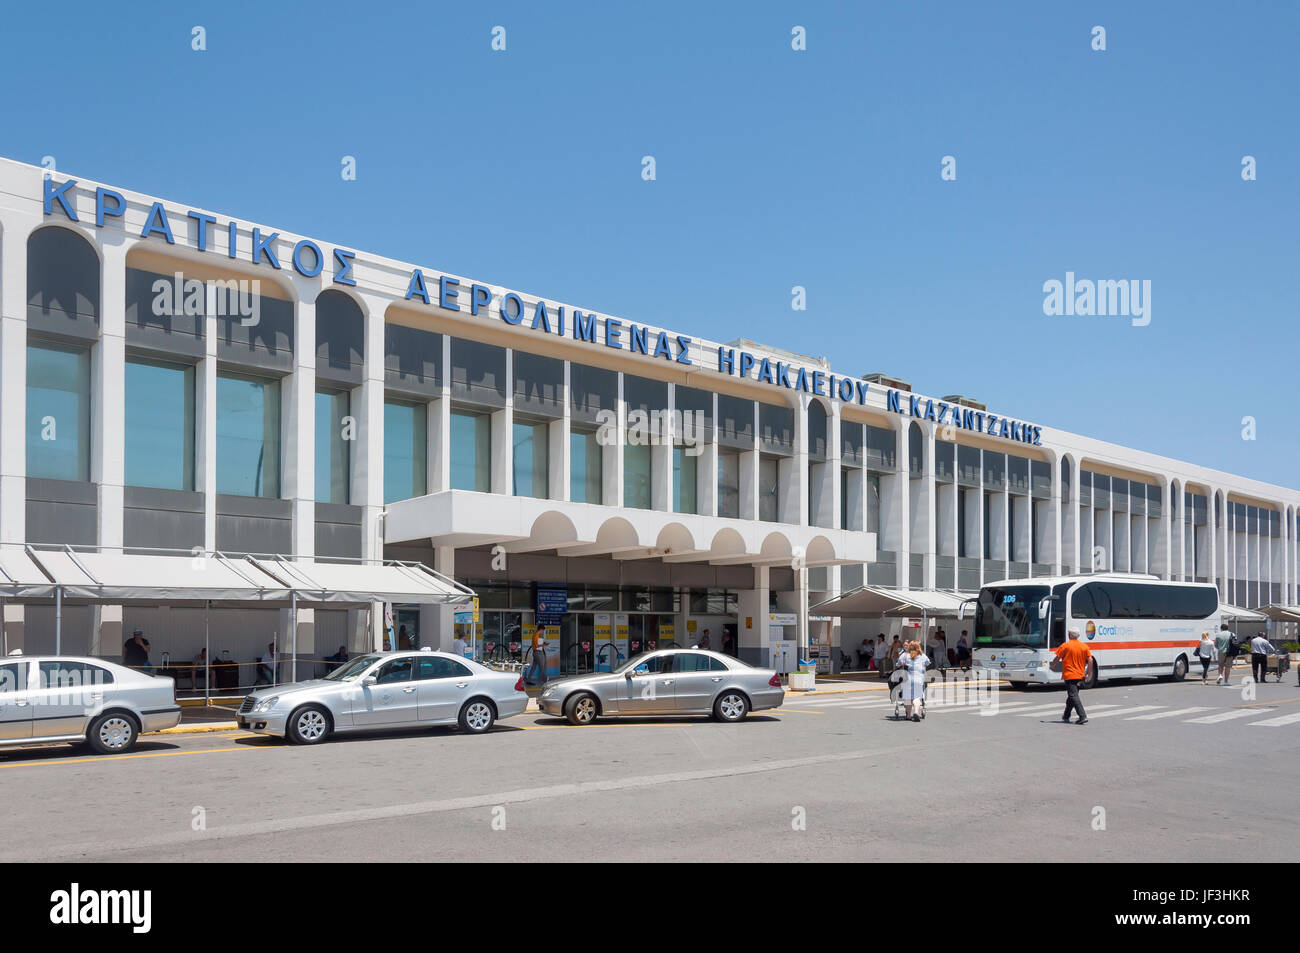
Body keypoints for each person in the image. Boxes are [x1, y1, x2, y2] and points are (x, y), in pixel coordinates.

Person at [1053, 630, 1092, 724]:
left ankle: (1082, 716)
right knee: (1072, 695)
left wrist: (1052, 665)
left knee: (1073, 695)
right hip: (1080, 675)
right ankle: (1066, 715)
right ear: (1078, 635)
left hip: (1070, 675)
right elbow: (1090, 660)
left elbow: (1057, 657)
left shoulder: (1065, 645)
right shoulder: (1084, 646)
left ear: (1069, 635)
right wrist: (1088, 673)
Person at [895, 640, 930, 722]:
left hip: (907, 679)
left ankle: (908, 715)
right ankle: (916, 712)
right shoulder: (923, 656)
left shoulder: (905, 656)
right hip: (918, 679)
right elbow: (928, 663)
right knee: (917, 697)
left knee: (907, 697)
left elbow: (898, 664)